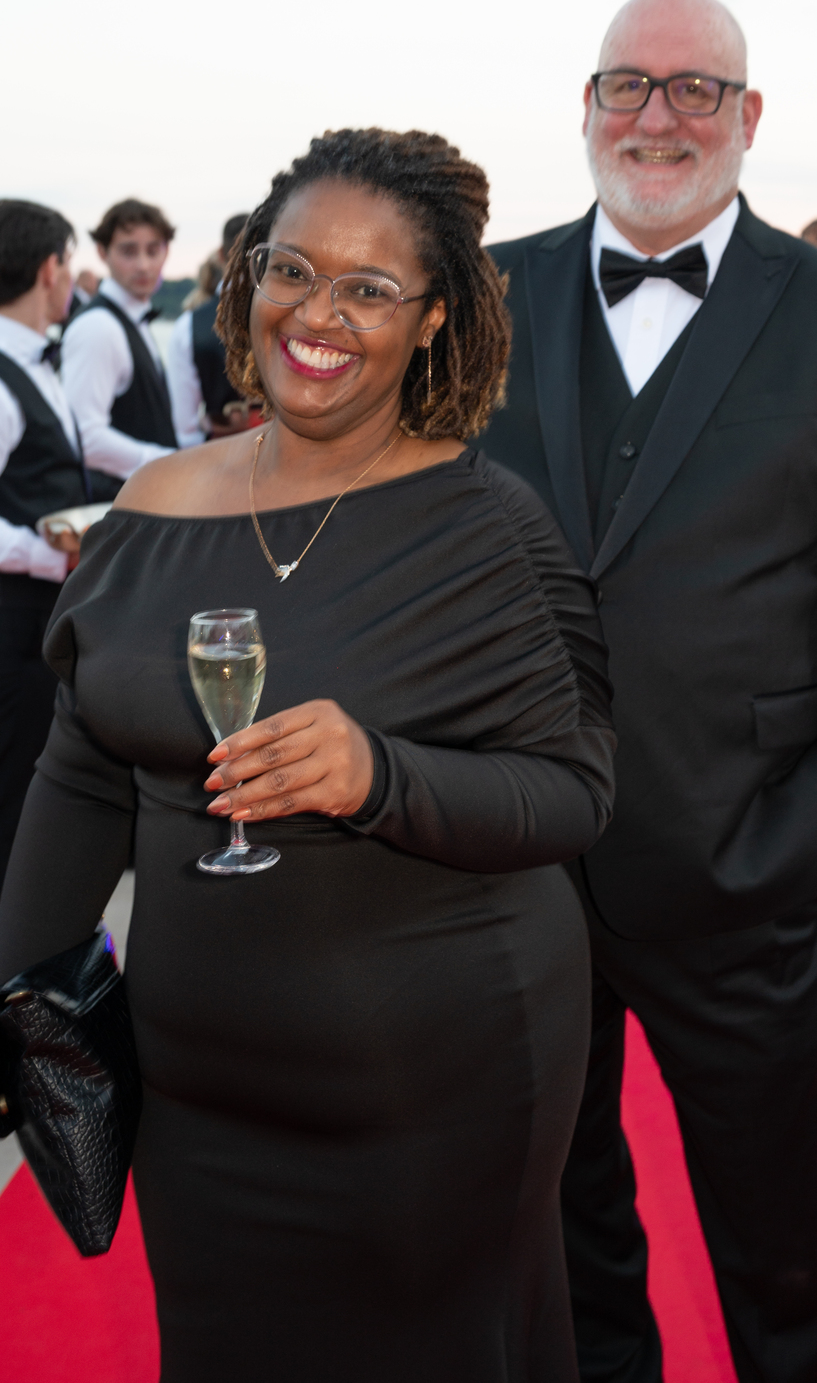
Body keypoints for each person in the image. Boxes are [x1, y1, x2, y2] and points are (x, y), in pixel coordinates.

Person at [0, 127, 616, 1383]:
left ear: (433, 320)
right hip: (198, 1093)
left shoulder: (488, 528)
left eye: (368, 288)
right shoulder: (153, 505)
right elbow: (83, 768)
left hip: (436, 1085)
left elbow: (575, 790)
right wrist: (16, 995)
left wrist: (380, 776)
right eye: (291, 270)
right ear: (247, 279)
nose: (317, 313)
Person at [480, 0, 817, 1383]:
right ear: (586, 105)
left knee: (784, 1243)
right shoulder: (484, 293)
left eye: (694, 88)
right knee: (560, 1238)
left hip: (745, 862)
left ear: (748, 115)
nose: (657, 117)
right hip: (514, 866)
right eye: (628, 83)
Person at [0, 200, 93, 892]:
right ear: (48, 269)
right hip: (12, 621)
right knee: (13, 796)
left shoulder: (37, 359)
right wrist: (51, 554)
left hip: (40, 617)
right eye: (68, 261)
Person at [62, 198, 178, 487]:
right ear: (103, 252)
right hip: (119, 500)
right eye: (129, 251)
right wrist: (170, 463)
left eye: (153, 250)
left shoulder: (130, 318)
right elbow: (85, 436)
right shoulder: (98, 327)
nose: (143, 265)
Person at [166, 212, 256, 444]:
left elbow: (186, 430)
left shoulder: (188, 326)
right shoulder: (294, 313)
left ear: (220, 255)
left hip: (220, 453)